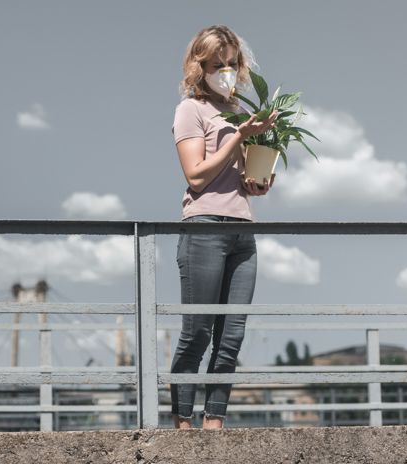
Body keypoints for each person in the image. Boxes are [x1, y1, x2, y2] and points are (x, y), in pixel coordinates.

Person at [169, 25, 277, 430]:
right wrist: (239, 138)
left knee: (231, 334)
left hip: (242, 229)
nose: (226, 72)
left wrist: (261, 181)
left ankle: (214, 423)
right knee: (197, 332)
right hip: (204, 226)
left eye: (232, 64)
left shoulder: (239, 112)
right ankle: (182, 423)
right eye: (218, 65)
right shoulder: (191, 110)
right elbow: (196, 176)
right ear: (201, 67)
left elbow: (245, 175)